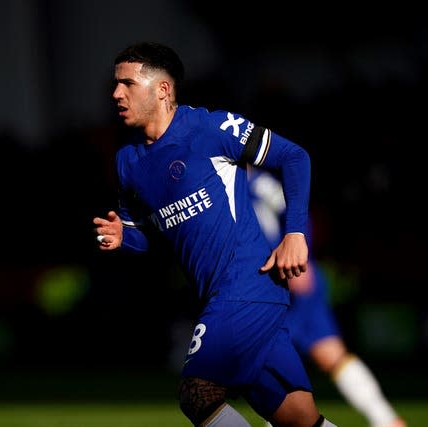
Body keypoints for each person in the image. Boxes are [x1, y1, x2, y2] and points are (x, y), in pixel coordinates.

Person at [92, 42, 337, 427]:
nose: (116, 94)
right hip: (226, 296)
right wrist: (124, 236)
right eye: (115, 84)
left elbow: (294, 157)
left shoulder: (210, 128)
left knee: (197, 393)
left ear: (162, 89)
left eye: (127, 84)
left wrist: (295, 234)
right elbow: (146, 235)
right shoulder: (128, 162)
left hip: (247, 283)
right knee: (301, 420)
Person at [248, 167, 406, 427]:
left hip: (287, 278)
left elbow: (297, 212)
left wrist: (301, 255)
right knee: (274, 366)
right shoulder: (224, 185)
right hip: (261, 287)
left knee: (324, 354)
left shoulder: (260, 185)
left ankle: (387, 421)